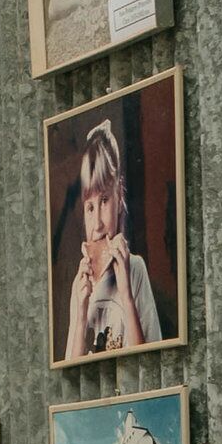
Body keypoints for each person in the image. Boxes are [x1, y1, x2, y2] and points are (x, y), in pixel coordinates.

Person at [63, 119, 164, 358]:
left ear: (119, 194)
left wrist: (127, 295)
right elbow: (72, 376)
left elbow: (149, 364)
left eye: (105, 201)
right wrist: (80, 315)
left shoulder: (136, 268)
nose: (97, 222)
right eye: (90, 207)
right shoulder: (80, 285)